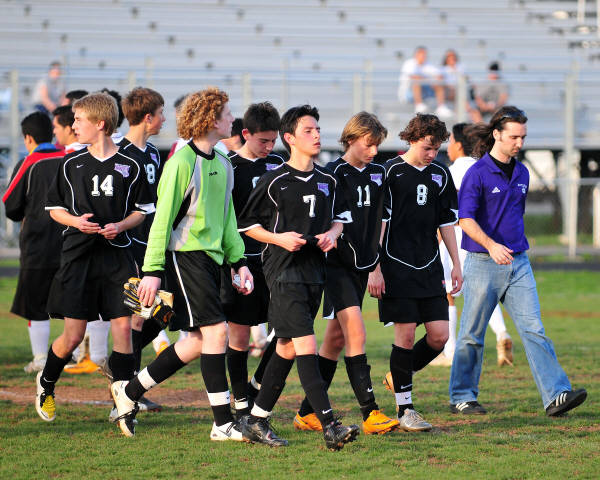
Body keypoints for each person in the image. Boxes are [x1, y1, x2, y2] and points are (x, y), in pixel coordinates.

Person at [109, 88, 254, 440]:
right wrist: (152, 272)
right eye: (227, 114)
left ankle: (128, 391)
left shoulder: (223, 163)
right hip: (185, 257)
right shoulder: (181, 163)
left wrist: (239, 262)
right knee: (216, 332)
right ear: (210, 119)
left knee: (196, 341)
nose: (232, 119)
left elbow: (228, 219)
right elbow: (161, 222)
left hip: (213, 261)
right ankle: (222, 424)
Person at [448, 106, 587, 417]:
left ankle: (556, 395)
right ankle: (462, 396)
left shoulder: (522, 172)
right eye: (514, 137)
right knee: (472, 334)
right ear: (497, 134)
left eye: (523, 137)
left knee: (534, 329)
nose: (519, 143)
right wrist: (491, 245)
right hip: (483, 263)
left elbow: (513, 214)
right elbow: (465, 220)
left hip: (519, 263)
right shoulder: (477, 173)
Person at [236, 104, 359, 451]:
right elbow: (246, 225)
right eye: (309, 130)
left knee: (287, 348)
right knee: (306, 345)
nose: (317, 135)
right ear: (289, 138)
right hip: (283, 272)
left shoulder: (328, 180)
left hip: (314, 273)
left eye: (317, 129)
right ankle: (330, 426)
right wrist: (279, 239)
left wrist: (332, 234)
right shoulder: (273, 180)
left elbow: (340, 219)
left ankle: (256, 420)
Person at [35, 92, 153, 427]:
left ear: (100, 124)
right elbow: (54, 210)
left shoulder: (131, 165)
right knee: (73, 336)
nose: (74, 126)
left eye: (79, 120)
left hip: (118, 257)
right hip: (79, 257)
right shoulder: (71, 164)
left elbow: (141, 211)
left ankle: (123, 405)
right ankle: (46, 383)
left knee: (124, 328)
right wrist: (76, 222)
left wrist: (120, 225)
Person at [293, 112, 399, 435]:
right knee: (356, 332)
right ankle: (370, 413)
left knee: (335, 341)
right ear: (351, 139)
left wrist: (375, 263)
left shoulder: (379, 174)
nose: (374, 151)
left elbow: (382, 219)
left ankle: (306, 413)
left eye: (377, 145)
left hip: (364, 266)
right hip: (337, 266)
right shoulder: (332, 174)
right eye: (368, 144)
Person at [372, 113, 462, 432]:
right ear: (411, 140)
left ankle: (398, 376)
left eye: (436, 148)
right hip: (396, 266)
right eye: (427, 147)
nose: (432, 154)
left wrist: (456, 263)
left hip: (429, 266)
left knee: (439, 336)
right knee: (406, 336)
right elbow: (379, 225)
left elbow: (447, 222)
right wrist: (375, 268)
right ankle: (405, 409)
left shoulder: (441, 173)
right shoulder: (390, 171)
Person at [222, 102, 285, 419]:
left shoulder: (278, 164)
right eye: (263, 140)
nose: (269, 147)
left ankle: (256, 385)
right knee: (240, 335)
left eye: (273, 141)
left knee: (287, 329)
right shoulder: (229, 167)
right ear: (245, 134)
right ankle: (240, 402)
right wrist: (233, 261)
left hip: (276, 259)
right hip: (241, 260)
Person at [434, 122, 513, 367]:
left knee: (448, 293)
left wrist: (436, 239)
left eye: (450, 142)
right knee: (481, 292)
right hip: (482, 238)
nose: (448, 148)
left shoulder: (450, 172)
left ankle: (450, 351)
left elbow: (445, 212)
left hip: (455, 235)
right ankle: (502, 333)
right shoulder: (484, 168)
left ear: (458, 145)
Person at [110, 86, 168, 414]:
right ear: (148, 117)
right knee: (136, 317)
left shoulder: (154, 153)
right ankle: (125, 390)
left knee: (163, 313)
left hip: (153, 245)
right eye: (160, 114)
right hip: (130, 245)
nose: (164, 120)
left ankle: (121, 372)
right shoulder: (119, 152)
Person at [2, 112, 65, 373]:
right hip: (70, 244)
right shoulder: (69, 158)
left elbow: (10, 204)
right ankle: (82, 355)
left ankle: (40, 358)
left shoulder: (30, 162)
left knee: (35, 304)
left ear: (28, 138)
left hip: (37, 246)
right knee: (76, 303)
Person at [397, 46, 453, 118]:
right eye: (421, 54)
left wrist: (432, 79)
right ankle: (419, 105)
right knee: (417, 82)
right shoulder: (409, 63)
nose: (423, 56)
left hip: (425, 92)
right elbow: (414, 77)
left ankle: (441, 107)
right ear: (416, 55)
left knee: (438, 83)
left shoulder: (428, 64)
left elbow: (439, 76)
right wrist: (430, 79)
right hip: (408, 94)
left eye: (424, 54)